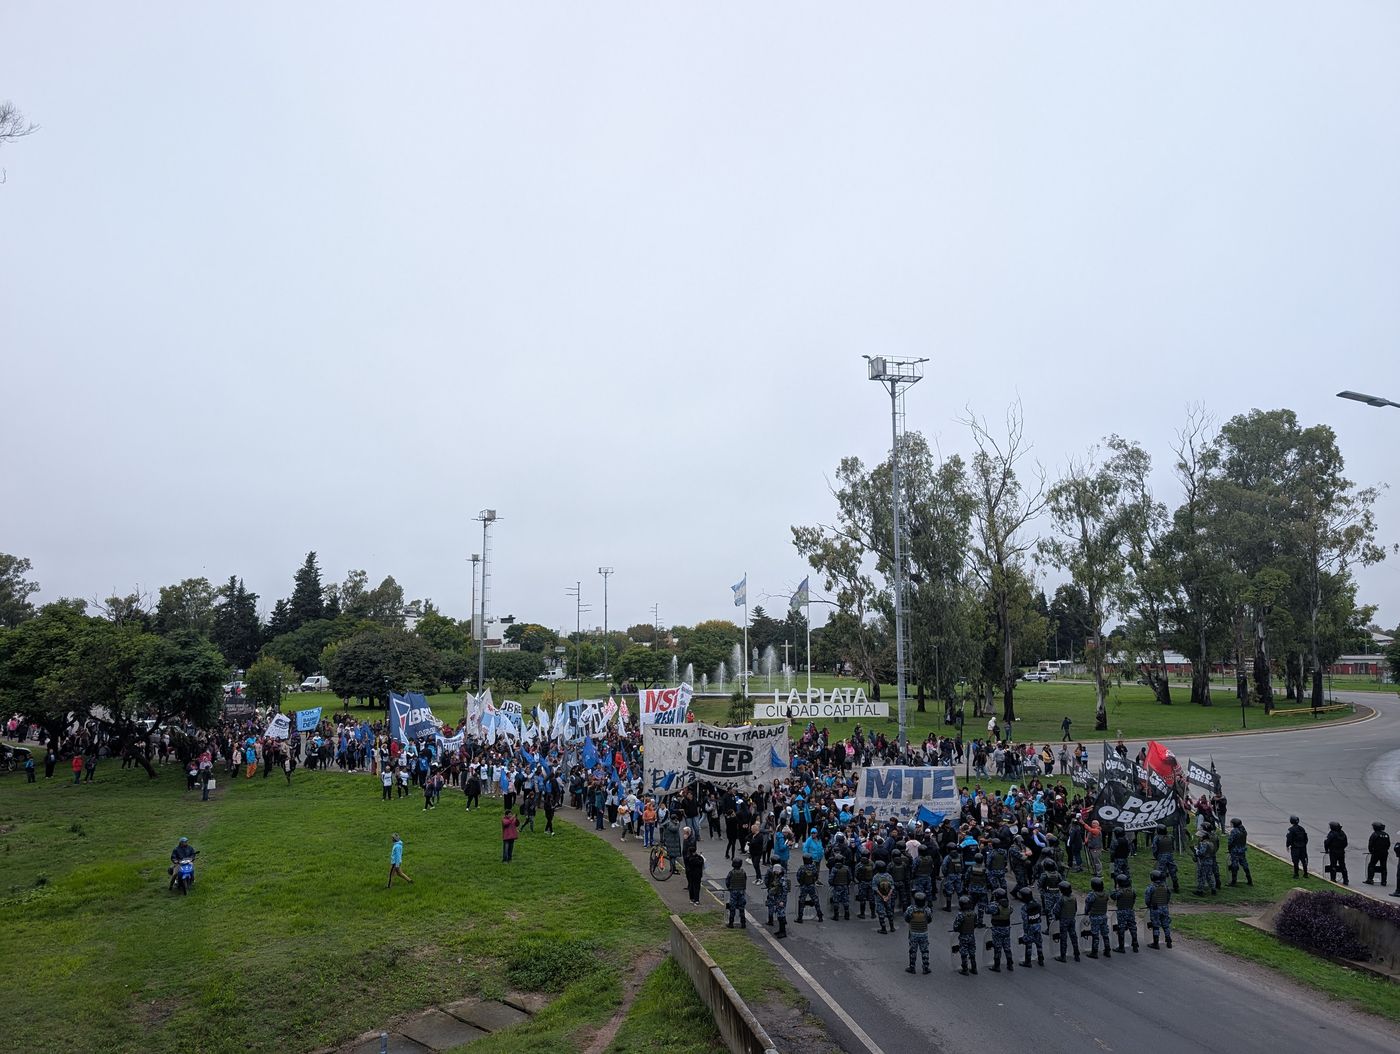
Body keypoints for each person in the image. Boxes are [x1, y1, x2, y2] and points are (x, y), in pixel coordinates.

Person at [904, 891, 933, 974]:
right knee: (925, 951)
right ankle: (926, 968)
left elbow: (906, 918)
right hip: (923, 932)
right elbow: (930, 920)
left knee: (913, 951)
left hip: (913, 933)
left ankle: (912, 967)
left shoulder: (910, 909)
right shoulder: (927, 910)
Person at [1109, 872, 1139, 953]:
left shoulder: (1120, 892)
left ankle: (1121, 947)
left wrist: (1115, 887)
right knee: (1132, 927)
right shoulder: (1132, 891)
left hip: (1122, 911)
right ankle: (1135, 944)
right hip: (1130, 911)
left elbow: (1113, 896)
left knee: (1121, 928)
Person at [1084, 876, 1112, 959]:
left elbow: (1087, 905)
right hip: (1104, 916)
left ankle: (1094, 952)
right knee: (1105, 934)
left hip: (1095, 917)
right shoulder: (1106, 894)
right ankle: (1107, 950)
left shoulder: (1092, 895)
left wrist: (1086, 913)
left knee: (1095, 935)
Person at [987, 890, 1014, 972]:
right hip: (1006, 928)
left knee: (997, 947)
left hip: (997, 929)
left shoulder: (994, 906)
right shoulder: (1008, 905)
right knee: (1007, 947)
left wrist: (991, 901)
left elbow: (987, 910)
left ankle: (997, 966)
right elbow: (1011, 911)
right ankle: (1010, 965)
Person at [1146, 869, 1172, 949]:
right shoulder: (1165, 886)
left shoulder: (1151, 887)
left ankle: (1156, 943)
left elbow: (1147, 899)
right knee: (1166, 925)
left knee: (1156, 925)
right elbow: (1168, 897)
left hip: (1155, 908)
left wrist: (1149, 905)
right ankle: (1169, 941)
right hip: (1164, 908)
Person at [1054, 879, 1080, 963]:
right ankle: (1077, 955)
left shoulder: (1061, 899)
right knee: (1074, 937)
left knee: (1063, 938)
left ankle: (1063, 956)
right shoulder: (1074, 897)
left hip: (1064, 920)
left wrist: (1057, 917)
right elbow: (1075, 909)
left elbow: (1056, 911)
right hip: (1072, 919)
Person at [1019, 889, 1045, 967]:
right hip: (1037, 925)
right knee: (1039, 943)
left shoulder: (1025, 907)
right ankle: (1041, 960)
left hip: (1030, 927)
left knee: (1028, 944)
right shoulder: (1037, 903)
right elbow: (1039, 915)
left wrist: (1025, 931)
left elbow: (1025, 920)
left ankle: (1028, 962)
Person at [953, 895, 978, 975]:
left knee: (964, 953)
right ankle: (974, 968)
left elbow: (955, 927)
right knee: (972, 952)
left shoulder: (960, 915)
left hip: (963, 936)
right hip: (971, 935)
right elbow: (976, 924)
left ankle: (965, 969)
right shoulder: (974, 913)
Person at [795, 855, 824, 923]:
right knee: (815, 900)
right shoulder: (813, 867)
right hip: (811, 885)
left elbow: (798, 876)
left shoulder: (802, 868)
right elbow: (816, 876)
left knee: (801, 901)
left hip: (804, 886)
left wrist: (801, 883)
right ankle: (820, 916)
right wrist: (813, 882)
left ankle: (800, 918)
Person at [1227, 818, 1253, 886]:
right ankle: (1249, 880)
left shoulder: (1234, 831)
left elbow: (1230, 842)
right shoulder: (1243, 830)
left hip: (1235, 851)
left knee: (1234, 866)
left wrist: (1229, 849)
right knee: (1245, 865)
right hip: (1242, 850)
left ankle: (1233, 881)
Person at [725, 858, 748, 928]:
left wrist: (729, 887)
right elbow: (745, 880)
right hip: (741, 891)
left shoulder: (731, 873)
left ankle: (731, 923)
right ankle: (743, 923)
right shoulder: (743, 872)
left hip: (733, 891)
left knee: (732, 907)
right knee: (741, 907)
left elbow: (727, 881)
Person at [829, 855, 853, 920]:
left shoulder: (834, 869)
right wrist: (847, 884)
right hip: (845, 886)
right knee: (845, 900)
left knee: (836, 901)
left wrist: (832, 884)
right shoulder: (846, 868)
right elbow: (850, 878)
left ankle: (836, 916)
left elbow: (831, 879)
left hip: (837, 886)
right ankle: (847, 915)